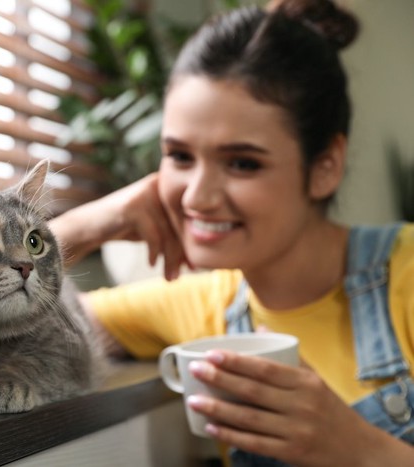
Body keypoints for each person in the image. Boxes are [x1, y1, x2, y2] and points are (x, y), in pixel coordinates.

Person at [49, 0, 414, 465]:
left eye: (243, 163)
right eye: (180, 156)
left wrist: (360, 450)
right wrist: (96, 221)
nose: (197, 197)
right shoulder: (205, 304)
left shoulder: (407, 274)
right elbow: (2, 303)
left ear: (325, 166)